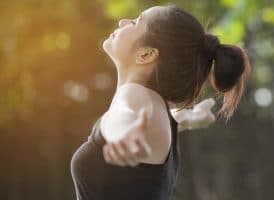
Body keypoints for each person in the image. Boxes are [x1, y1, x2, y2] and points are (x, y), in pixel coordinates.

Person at [70, 4, 251, 200]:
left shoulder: (133, 97)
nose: (122, 22)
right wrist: (184, 119)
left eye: (135, 22)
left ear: (146, 54)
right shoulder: (156, 106)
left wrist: (123, 133)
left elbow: (124, 114)